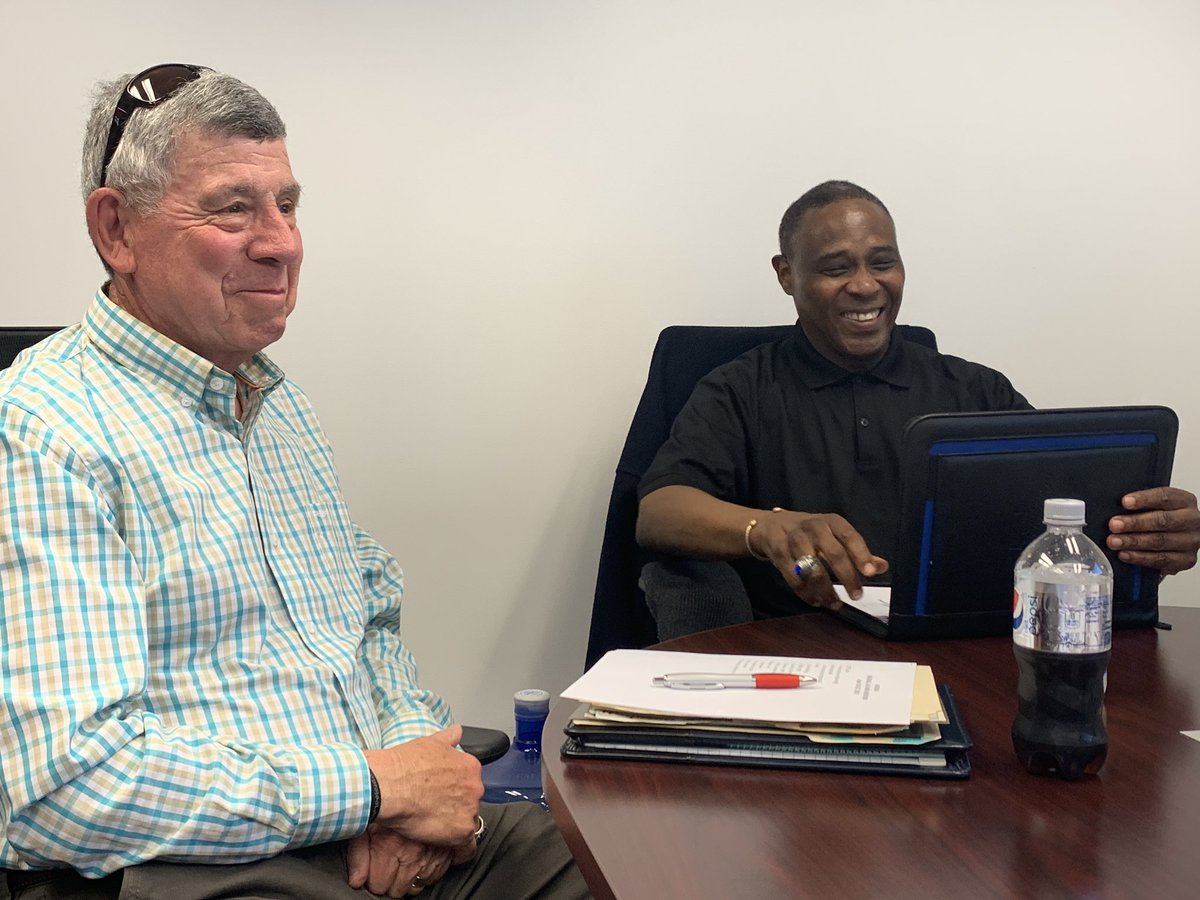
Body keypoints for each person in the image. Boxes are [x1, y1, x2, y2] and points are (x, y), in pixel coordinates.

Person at [0, 64, 588, 900]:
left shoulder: (280, 407)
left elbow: (367, 629)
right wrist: (376, 790)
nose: (282, 242)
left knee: (610, 859)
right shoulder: (42, 431)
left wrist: (416, 779)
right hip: (208, 871)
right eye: (234, 208)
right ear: (117, 230)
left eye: (288, 204)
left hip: (368, 830)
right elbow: (61, 790)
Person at [636, 180, 1200, 617]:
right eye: (836, 268)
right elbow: (660, 513)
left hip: (959, 652)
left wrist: (1150, 536)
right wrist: (768, 530)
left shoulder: (975, 391)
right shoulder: (739, 388)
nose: (865, 285)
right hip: (798, 653)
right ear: (787, 275)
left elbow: (1063, 519)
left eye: (882, 263)